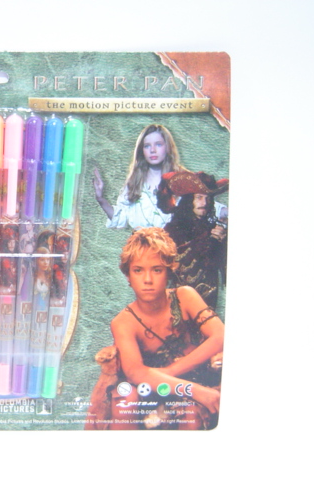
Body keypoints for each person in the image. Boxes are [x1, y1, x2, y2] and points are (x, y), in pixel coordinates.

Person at [86, 228, 224, 430]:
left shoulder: (184, 296)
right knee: (124, 399)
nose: (148, 280)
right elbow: (136, 373)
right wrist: (193, 390)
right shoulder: (123, 322)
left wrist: (170, 371)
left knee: (191, 414)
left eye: (157, 270)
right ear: (128, 275)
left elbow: (220, 336)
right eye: (138, 270)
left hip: (198, 377)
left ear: (169, 272)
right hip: (153, 390)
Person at [157, 171, 228, 307]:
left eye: (208, 198)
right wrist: (211, 241)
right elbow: (181, 265)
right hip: (182, 300)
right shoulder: (174, 229)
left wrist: (223, 242)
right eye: (199, 197)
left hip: (209, 300)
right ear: (189, 201)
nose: (204, 203)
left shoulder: (212, 227)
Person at [93, 124, 186, 229]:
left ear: (167, 147)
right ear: (142, 150)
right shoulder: (134, 183)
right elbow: (121, 217)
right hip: (140, 239)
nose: (152, 150)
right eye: (147, 146)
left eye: (158, 144)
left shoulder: (182, 181)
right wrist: (101, 199)